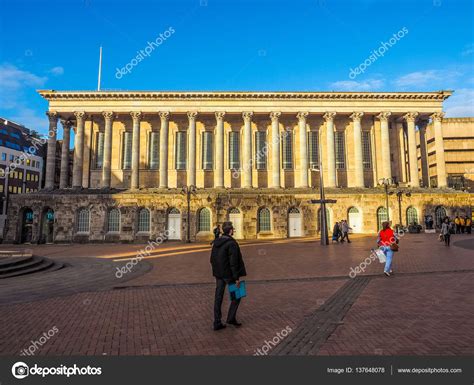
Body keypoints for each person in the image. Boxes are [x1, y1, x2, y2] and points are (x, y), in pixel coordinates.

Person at [210, 221, 247, 331]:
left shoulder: (217, 242)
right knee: (238, 295)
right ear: (230, 231)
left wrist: (217, 271)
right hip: (229, 274)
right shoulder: (232, 243)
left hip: (218, 274)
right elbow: (234, 262)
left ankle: (217, 322)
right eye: (233, 229)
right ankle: (231, 318)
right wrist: (236, 278)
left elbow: (212, 259)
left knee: (218, 297)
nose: (233, 231)